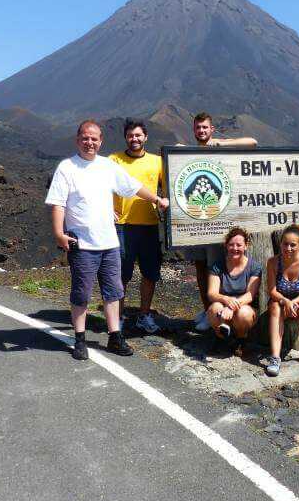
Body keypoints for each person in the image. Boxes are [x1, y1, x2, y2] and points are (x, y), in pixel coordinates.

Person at [45, 120, 169, 361]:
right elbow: (58, 203)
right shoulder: (66, 168)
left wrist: (156, 199)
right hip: (82, 244)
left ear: (100, 141)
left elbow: (132, 187)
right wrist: (59, 234)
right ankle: (80, 338)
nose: (89, 142)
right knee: (81, 293)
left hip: (110, 242)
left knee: (113, 292)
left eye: (94, 139)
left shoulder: (107, 166)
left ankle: (115, 336)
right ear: (77, 139)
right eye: (85, 138)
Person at [180, 112, 258, 332]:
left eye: (205, 128)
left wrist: (220, 142)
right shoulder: (186, 153)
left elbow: (252, 142)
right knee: (199, 266)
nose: (202, 131)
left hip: (217, 226)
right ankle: (208, 310)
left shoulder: (221, 148)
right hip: (194, 222)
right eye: (198, 128)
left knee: (215, 267)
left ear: (211, 129)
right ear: (193, 130)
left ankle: (221, 310)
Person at [109, 119, 164, 334]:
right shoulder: (114, 160)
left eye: (138, 135)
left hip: (149, 224)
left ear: (146, 137)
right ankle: (119, 316)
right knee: (121, 274)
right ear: (126, 137)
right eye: (131, 135)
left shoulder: (157, 161)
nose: (135, 139)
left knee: (150, 272)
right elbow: (101, 184)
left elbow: (168, 187)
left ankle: (144, 315)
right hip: (122, 225)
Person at [264, 224, 299, 376]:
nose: (288, 248)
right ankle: (275, 357)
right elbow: (272, 291)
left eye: (292, 245)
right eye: (285, 244)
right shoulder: (273, 262)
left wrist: (294, 302)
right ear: (280, 244)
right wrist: (286, 301)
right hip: (280, 302)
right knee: (274, 307)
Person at [206, 227, 262, 352]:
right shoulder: (217, 265)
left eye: (239, 245)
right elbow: (211, 293)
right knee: (214, 308)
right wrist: (226, 300)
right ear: (226, 246)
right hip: (222, 306)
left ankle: (241, 339)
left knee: (244, 314)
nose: (235, 248)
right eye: (231, 245)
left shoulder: (254, 266)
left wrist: (232, 306)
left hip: (245, 306)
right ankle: (221, 337)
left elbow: (250, 295)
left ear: (246, 246)